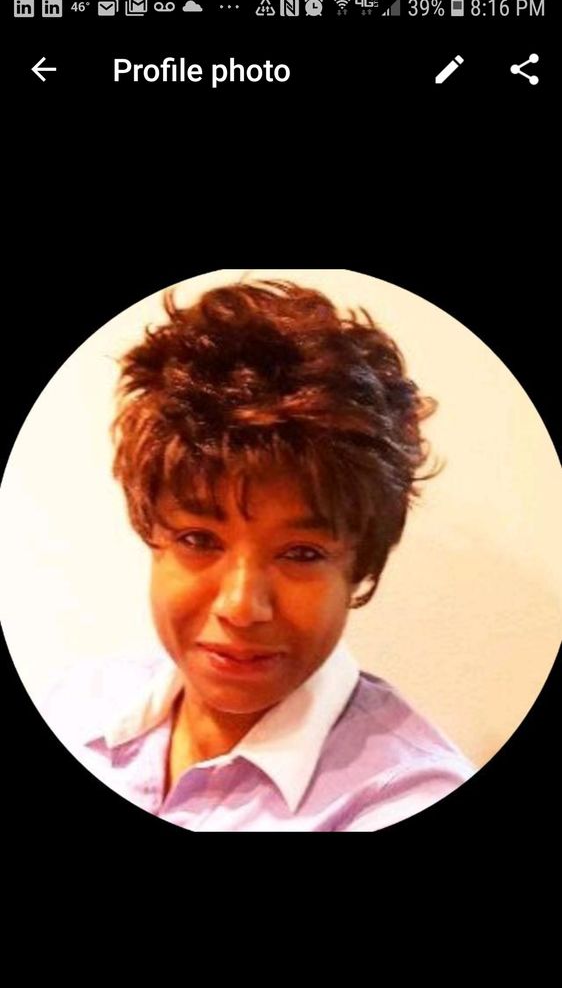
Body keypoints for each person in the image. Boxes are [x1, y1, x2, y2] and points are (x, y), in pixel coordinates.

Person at [42, 279, 475, 831]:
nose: (242, 607)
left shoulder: (401, 798)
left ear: (359, 568)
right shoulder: (76, 708)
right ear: (152, 534)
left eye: (302, 553)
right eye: (199, 539)